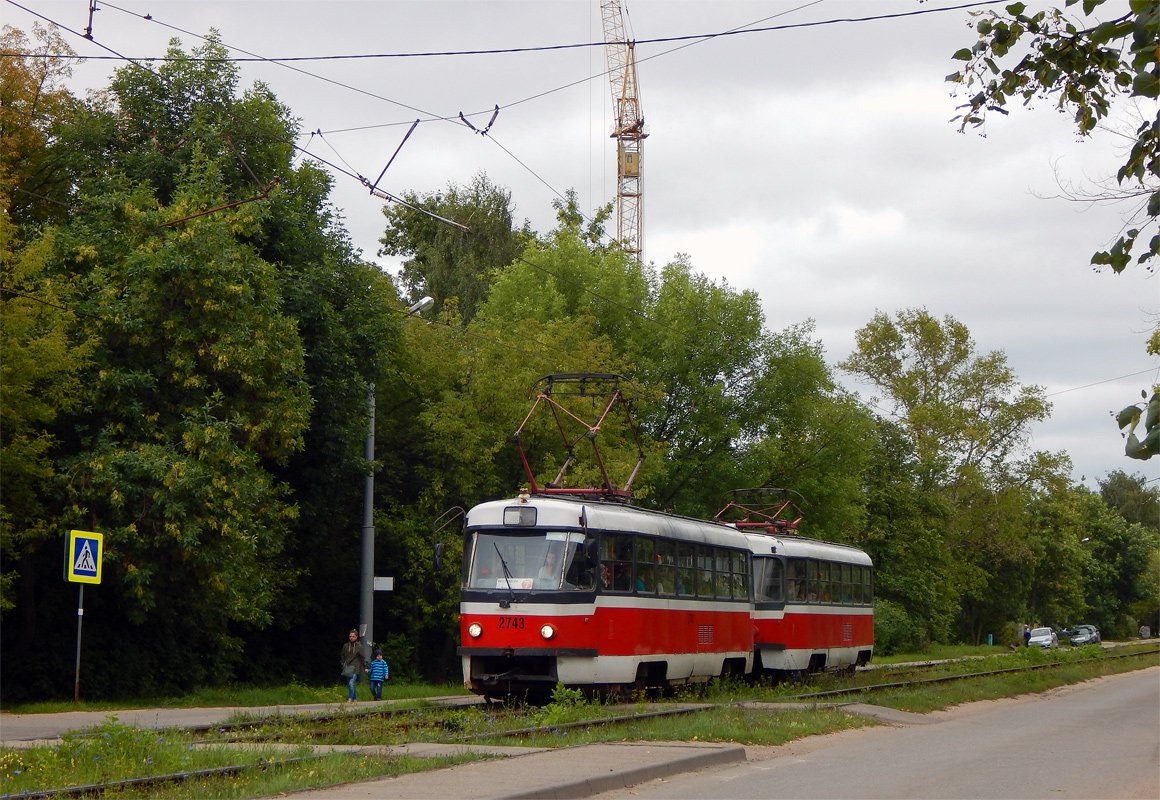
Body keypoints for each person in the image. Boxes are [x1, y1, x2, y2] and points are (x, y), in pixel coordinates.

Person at [340, 629, 366, 703]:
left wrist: (365, 667)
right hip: (347, 667)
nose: (351, 637)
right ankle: (354, 698)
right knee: (350, 684)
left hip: (355, 667)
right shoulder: (345, 646)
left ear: (356, 637)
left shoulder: (359, 647)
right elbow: (342, 655)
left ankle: (350, 698)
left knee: (351, 682)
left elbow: (362, 658)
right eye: (350, 636)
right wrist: (342, 663)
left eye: (353, 636)